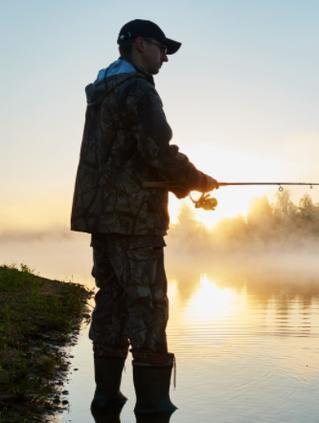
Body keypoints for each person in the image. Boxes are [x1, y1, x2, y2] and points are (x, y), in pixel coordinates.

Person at [70, 19, 217, 417]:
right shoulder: (137, 89)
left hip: (102, 216)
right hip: (135, 220)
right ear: (139, 45)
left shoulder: (102, 91)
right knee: (149, 306)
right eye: (161, 48)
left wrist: (179, 185)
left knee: (112, 303)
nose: (166, 57)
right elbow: (158, 152)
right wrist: (199, 180)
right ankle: (153, 409)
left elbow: (127, 157)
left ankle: (106, 400)